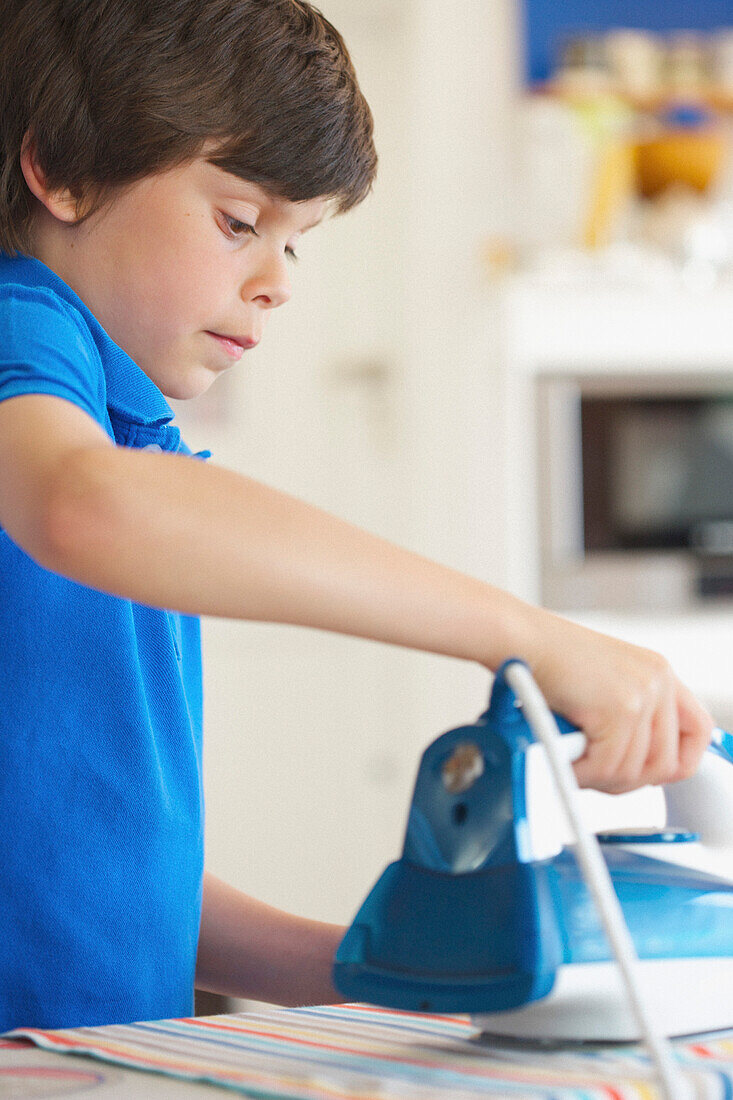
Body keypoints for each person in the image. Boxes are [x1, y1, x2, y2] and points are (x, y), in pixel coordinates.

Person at [0, 0, 713, 1033]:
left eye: (299, 244)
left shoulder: (125, 430)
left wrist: (387, 958)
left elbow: (103, 871)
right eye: (239, 222)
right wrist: (525, 634)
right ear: (59, 169)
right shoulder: (28, 333)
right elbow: (81, 505)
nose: (276, 281)